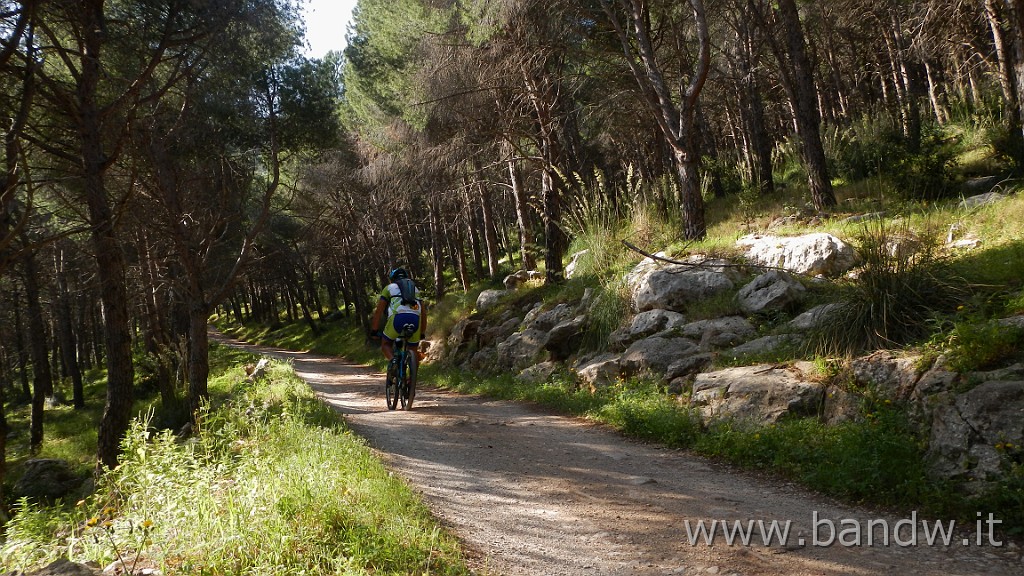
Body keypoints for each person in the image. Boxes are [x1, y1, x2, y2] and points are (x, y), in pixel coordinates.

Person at [370, 267, 427, 362]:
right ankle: (412, 376)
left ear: (392, 279)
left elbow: (378, 312)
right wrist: (422, 332)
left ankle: (393, 361)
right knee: (413, 349)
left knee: (386, 344)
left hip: (397, 318)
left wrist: (374, 330)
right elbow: (424, 314)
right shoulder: (415, 290)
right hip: (415, 319)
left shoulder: (389, 288)